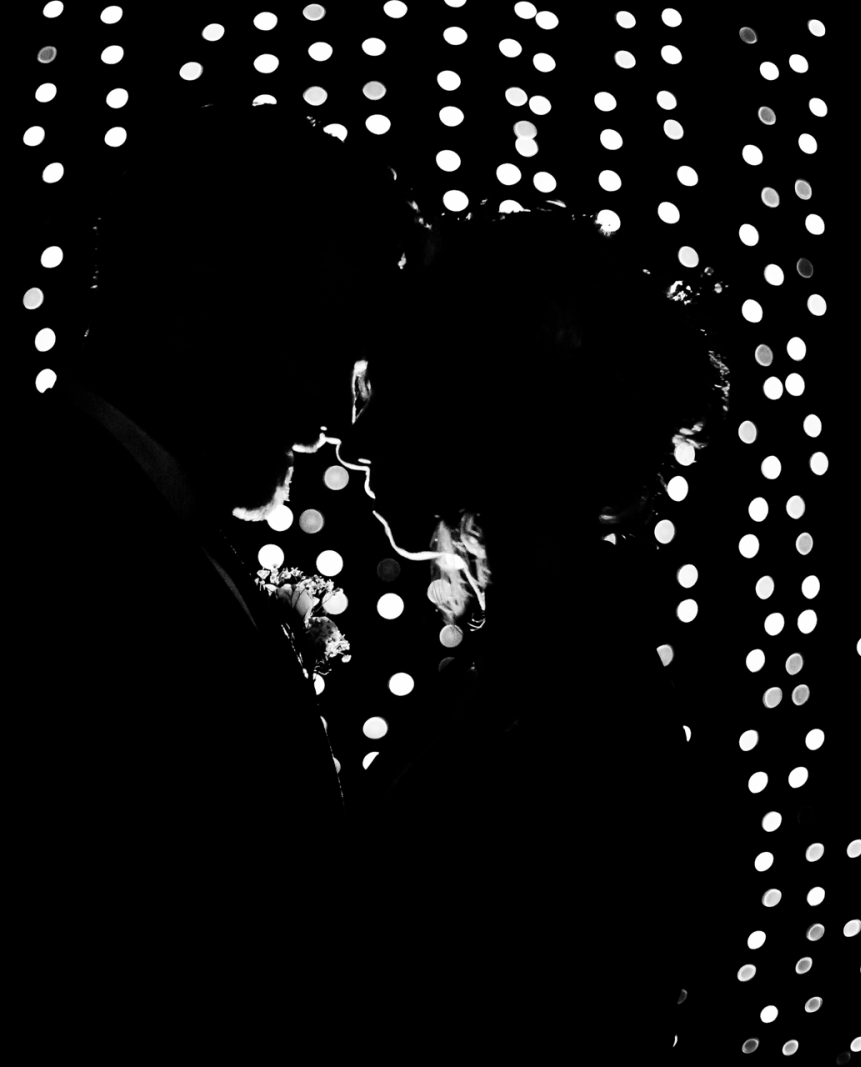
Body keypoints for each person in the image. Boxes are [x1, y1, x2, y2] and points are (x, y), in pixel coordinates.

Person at [0, 103, 424, 1049]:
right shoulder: (72, 558)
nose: (333, 412)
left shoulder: (128, 520)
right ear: (192, 303)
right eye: (318, 337)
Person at [337, 202, 732, 1051]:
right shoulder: (541, 663)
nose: (355, 437)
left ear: (484, 410)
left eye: (389, 387)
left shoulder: (573, 705)